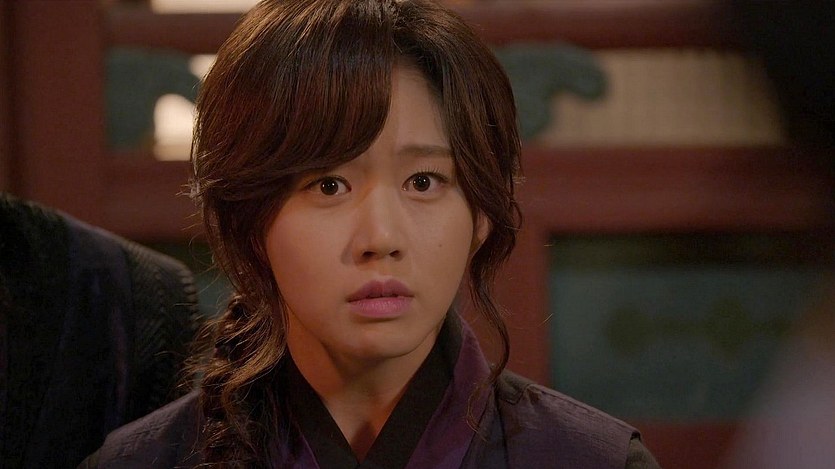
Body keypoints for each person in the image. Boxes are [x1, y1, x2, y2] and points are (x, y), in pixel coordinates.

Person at [80, 0, 660, 467]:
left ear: (482, 214)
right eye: (329, 185)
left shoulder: (592, 460)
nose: (381, 237)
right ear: (247, 220)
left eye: (424, 181)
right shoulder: (142, 462)